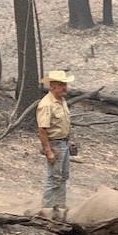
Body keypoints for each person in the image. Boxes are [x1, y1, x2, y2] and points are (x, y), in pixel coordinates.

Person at [36, 70, 75, 208]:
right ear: (52, 86)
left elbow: (63, 124)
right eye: (61, 84)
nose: (64, 87)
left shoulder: (62, 101)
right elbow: (42, 129)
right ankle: (46, 210)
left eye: (65, 84)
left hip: (63, 143)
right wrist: (48, 150)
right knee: (53, 178)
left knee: (63, 177)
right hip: (55, 145)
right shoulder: (47, 104)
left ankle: (60, 207)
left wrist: (68, 140)